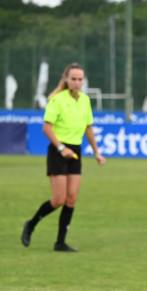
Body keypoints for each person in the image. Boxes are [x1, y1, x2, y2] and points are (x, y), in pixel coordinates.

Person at [21, 62, 105, 252]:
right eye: (73, 79)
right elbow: (46, 127)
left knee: (71, 199)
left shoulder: (84, 100)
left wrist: (97, 152)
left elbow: (88, 128)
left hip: (75, 151)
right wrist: (60, 148)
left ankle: (60, 242)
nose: (77, 82)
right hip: (58, 152)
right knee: (58, 199)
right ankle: (31, 224)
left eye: (80, 79)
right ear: (66, 79)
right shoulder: (57, 100)